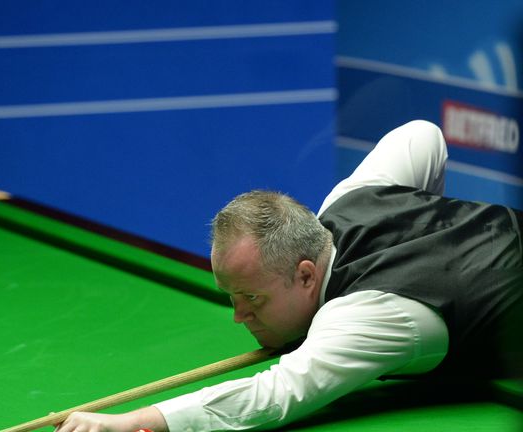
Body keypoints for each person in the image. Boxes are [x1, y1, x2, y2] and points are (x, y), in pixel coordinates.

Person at [55, 120, 523, 432]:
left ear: (305, 274)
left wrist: (130, 422)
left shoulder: (368, 315)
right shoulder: (350, 200)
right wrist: (434, 221)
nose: (239, 317)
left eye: (252, 299)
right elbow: (423, 135)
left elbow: (275, 395)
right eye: (232, 298)